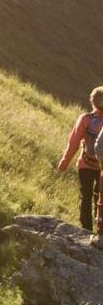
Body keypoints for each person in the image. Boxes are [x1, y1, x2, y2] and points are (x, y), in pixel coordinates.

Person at [57, 86, 103, 234]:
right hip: (102, 168)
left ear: (92, 101)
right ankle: (100, 232)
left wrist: (64, 162)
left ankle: (85, 231)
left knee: (85, 197)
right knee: (100, 199)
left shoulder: (85, 119)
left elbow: (74, 143)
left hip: (85, 165)